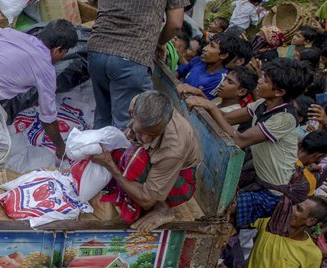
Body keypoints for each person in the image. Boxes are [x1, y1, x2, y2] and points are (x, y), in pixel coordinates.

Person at [188, 58, 311, 230]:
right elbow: (226, 118)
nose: (259, 81)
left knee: (218, 217)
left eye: (265, 80)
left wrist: (210, 106)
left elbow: (240, 140)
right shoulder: (262, 104)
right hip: (258, 180)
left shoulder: (285, 118)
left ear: (279, 92)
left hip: (271, 193)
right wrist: (201, 99)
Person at [0, 20, 78, 161]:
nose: (62, 57)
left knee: (1, 116)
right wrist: (60, 146)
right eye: (64, 53)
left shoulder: (11, 33)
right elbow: (48, 118)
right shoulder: (46, 69)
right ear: (57, 49)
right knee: (0, 151)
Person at [90, 90, 202, 230]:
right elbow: (130, 132)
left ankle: (163, 208)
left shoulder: (173, 150)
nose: (146, 139)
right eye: (141, 131)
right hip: (160, 161)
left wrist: (110, 166)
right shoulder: (139, 103)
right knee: (118, 150)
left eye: (153, 134)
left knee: (134, 160)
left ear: (165, 125)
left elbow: (147, 200)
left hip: (180, 181)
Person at [86, 0, 185, 129]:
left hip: (98, 49)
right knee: (129, 126)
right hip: (133, 54)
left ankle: (97, 146)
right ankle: (116, 148)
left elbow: (92, 2)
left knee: (103, 113)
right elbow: (175, 24)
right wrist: (159, 42)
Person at [244, 197, 327, 268]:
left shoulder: (312, 253)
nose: (291, 208)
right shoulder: (270, 221)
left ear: (310, 221)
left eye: (298, 208)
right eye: (293, 204)